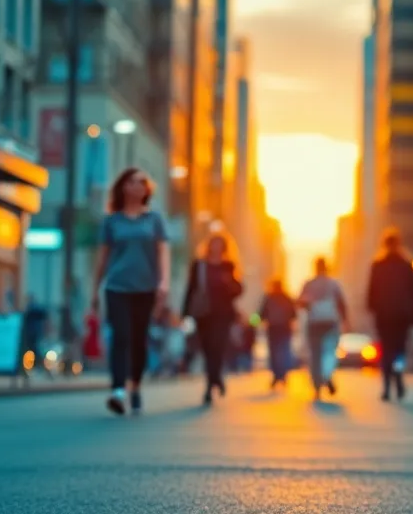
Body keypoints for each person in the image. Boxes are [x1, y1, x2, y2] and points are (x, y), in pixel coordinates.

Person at [93, 167, 171, 416]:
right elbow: (103, 257)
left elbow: (163, 252)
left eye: (142, 183)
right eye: (132, 182)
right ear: (123, 187)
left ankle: (135, 385)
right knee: (121, 336)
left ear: (147, 190)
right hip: (117, 287)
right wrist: (95, 290)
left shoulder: (154, 220)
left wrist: (164, 282)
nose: (137, 186)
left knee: (139, 340)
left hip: (145, 288)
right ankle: (118, 389)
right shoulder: (112, 221)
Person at [182, 232, 244, 405]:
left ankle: (211, 384)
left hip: (223, 315)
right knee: (207, 349)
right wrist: (185, 313)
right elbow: (191, 288)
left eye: (219, 244)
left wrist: (228, 282)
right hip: (203, 314)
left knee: (218, 347)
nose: (216, 247)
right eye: (213, 243)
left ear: (224, 247)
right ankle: (215, 379)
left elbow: (238, 290)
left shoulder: (228, 265)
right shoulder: (199, 265)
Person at [366, 230, 413, 401]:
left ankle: (386, 385)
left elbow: (371, 291)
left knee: (386, 350)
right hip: (402, 315)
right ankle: (398, 375)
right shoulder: (406, 265)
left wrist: (372, 308)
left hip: (383, 314)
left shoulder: (378, 265)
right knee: (400, 349)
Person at [299, 257, 349, 400]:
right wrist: (345, 321)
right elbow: (341, 303)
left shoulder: (309, 284)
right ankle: (326, 375)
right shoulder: (333, 284)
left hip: (314, 322)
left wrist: (310, 305)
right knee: (329, 352)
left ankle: (317, 385)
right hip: (330, 322)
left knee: (315, 354)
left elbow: (300, 302)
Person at [258, 278, 297, 387]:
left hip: (273, 328)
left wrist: (260, 320)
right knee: (284, 351)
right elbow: (293, 314)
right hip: (284, 328)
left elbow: (262, 313)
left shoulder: (269, 298)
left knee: (274, 352)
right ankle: (283, 374)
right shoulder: (287, 298)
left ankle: (276, 375)